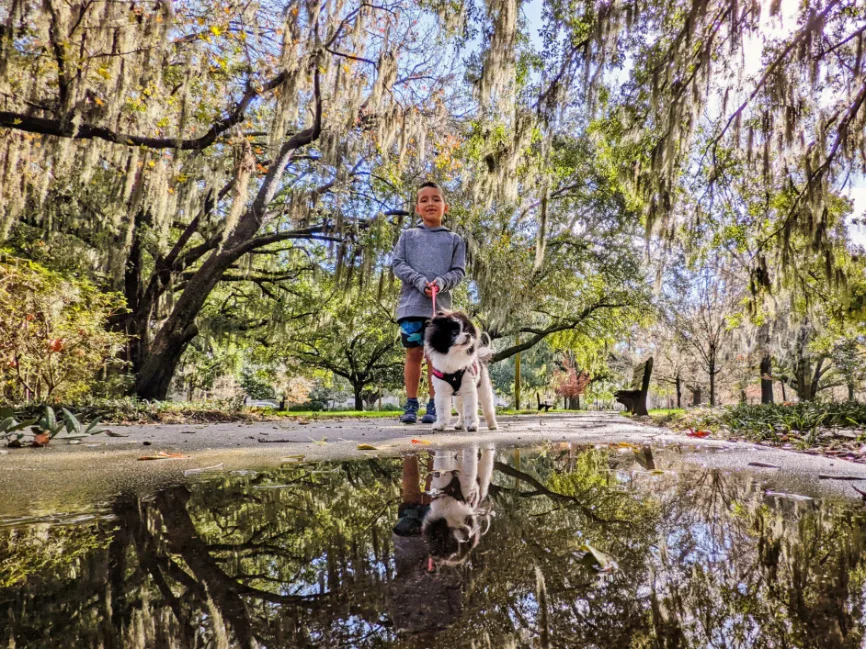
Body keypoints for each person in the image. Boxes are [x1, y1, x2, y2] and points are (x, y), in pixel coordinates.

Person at [392, 181, 466, 424]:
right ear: (417, 208)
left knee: (435, 357)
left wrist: (441, 283)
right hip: (411, 306)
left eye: (435, 199)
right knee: (413, 353)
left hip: (441, 311)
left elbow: (458, 271)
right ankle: (410, 404)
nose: (430, 203)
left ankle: (435, 405)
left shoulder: (454, 239)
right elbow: (398, 264)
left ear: (446, 207)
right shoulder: (407, 236)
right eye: (424, 200)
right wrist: (419, 281)